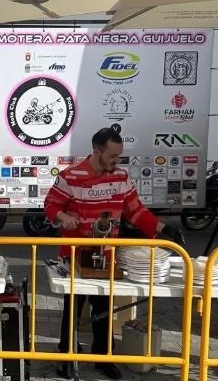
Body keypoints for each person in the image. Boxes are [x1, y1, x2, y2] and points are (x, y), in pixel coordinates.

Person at [44, 127, 185, 380]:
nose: (116, 161)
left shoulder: (121, 177)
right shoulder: (70, 175)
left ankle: (103, 357)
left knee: (104, 307)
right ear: (97, 152)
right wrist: (63, 217)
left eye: (119, 155)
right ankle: (66, 355)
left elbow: (136, 211)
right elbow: (51, 204)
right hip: (75, 255)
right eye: (112, 156)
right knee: (73, 307)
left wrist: (164, 229)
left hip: (106, 255)